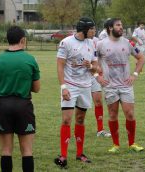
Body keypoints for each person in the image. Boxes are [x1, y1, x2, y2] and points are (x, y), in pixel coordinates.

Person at [0, 26, 40, 172]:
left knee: (6, 150)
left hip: (3, 105)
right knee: (26, 151)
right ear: (22, 40)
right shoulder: (30, 59)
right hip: (23, 105)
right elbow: (37, 88)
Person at [96, 18, 145, 153]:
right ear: (110, 28)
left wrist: (134, 74)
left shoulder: (128, 43)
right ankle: (116, 145)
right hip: (110, 85)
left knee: (129, 114)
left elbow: (141, 58)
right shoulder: (100, 44)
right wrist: (97, 76)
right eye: (118, 25)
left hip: (126, 85)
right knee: (113, 114)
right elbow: (92, 62)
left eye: (121, 25)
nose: (121, 27)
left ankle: (132, 143)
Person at [54, 17, 98, 168]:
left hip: (85, 86)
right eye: (92, 28)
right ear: (84, 30)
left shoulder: (92, 43)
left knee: (80, 119)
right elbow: (60, 66)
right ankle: (63, 155)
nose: (94, 31)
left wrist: (90, 65)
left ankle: (80, 154)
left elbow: (97, 68)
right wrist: (63, 87)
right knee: (67, 119)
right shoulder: (66, 42)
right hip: (70, 86)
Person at [91, 36, 111, 137]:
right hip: (81, 77)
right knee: (80, 105)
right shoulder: (74, 42)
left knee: (98, 101)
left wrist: (99, 68)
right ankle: (77, 130)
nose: (93, 31)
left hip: (95, 76)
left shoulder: (97, 41)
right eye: (91, 29)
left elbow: (99, 57)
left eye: (94, 29)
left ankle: (100, 130)